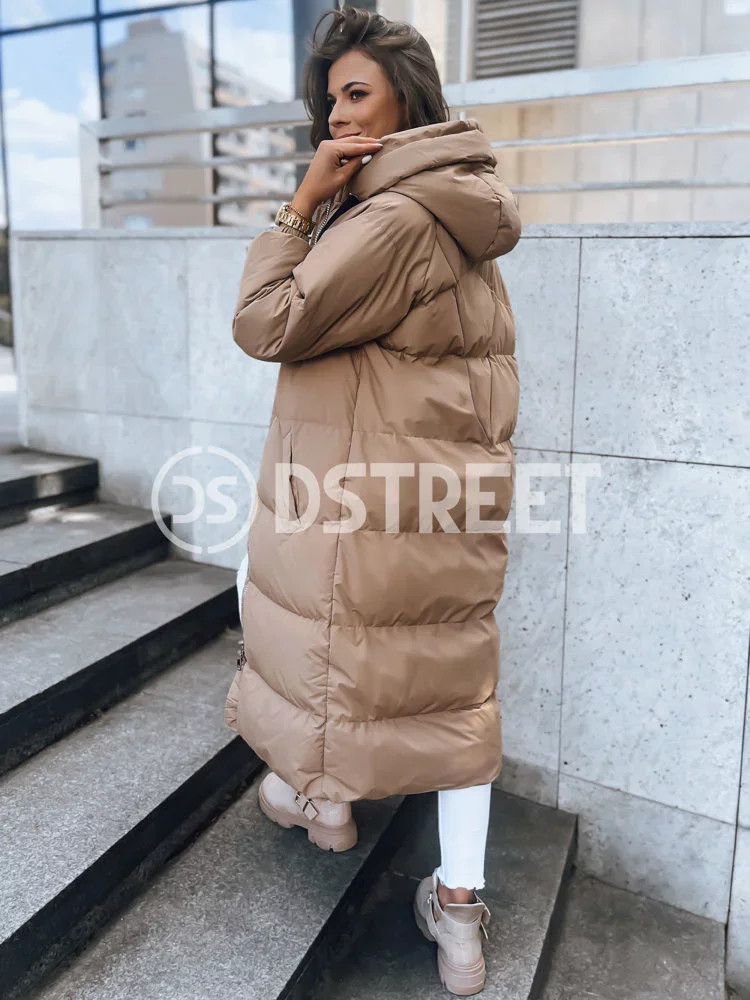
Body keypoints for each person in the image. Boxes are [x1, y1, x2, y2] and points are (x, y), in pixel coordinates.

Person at [224, 5, 521, 995]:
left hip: (363, 503)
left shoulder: (392, 219)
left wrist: (299, 205)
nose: (338, 117)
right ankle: (460, 909)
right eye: (330, 101)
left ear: (408, 97)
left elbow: (266, 322)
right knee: (451, 693)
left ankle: (318, 798)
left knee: (315, 642)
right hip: (444, 503)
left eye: (357, 93)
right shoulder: (461, 210)